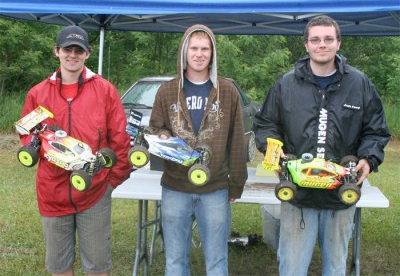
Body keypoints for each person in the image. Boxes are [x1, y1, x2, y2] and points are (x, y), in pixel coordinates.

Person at [253, 15, 391, 276]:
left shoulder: (359, 84)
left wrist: (368, 159)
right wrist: (273, 151)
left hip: (340, 193)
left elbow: (376, 130)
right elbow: (266, 125)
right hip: (297, 193)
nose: (322, 45)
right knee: (292, 267)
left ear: (339, 43)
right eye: (315, 39)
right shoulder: (286, 84)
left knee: (336, 267)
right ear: (306, 45)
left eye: (328, 39)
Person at [19, 25, 131, 276]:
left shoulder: (104, 90)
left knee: (97, 267)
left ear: (88, 54)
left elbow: (120, 138)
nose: (72, 55)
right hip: (53, 192)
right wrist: (34, 147)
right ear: (56, 51)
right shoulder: (38, 93)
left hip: (94, 191)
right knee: (59, 267)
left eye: (78, 50)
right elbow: (26, 133)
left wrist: (112, 180)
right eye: (67, 49)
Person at [149, 24, 248, 276]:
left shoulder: (226, 91)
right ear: (184, 52)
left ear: (212, 54)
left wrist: (236, 183)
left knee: (216, 260)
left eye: (205, 49)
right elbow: (157, 127)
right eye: (194, 48)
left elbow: (237, 139)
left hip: (214, 188)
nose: (199, 54)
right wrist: (163, 135)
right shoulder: (167, 90)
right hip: (175, 187)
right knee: (174, 260)